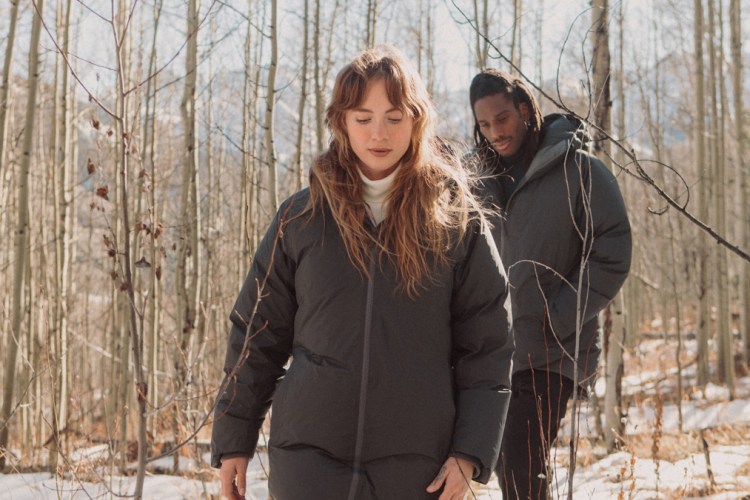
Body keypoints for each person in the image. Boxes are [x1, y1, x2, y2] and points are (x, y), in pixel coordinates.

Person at [211, 46, 514, 500]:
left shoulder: (456, 220)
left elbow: (488, 346)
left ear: (417, 121)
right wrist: (234, 438)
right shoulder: (300, 217)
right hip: (309, 460)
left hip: (418, 464)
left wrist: (470, 451)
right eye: (363, 117)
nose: (379, 133)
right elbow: (257, 335)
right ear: (341, 122)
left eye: (394, 117)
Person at [468, 69, 632, 500]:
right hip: (494, 355)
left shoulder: (579, 170)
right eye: (484, 124)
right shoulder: (475, 186)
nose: (495, 132)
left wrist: (558, 314)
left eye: (502, 118)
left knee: (520, 463)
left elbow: (612, 249)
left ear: (524, 109)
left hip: (552, 350)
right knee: (508, 466)